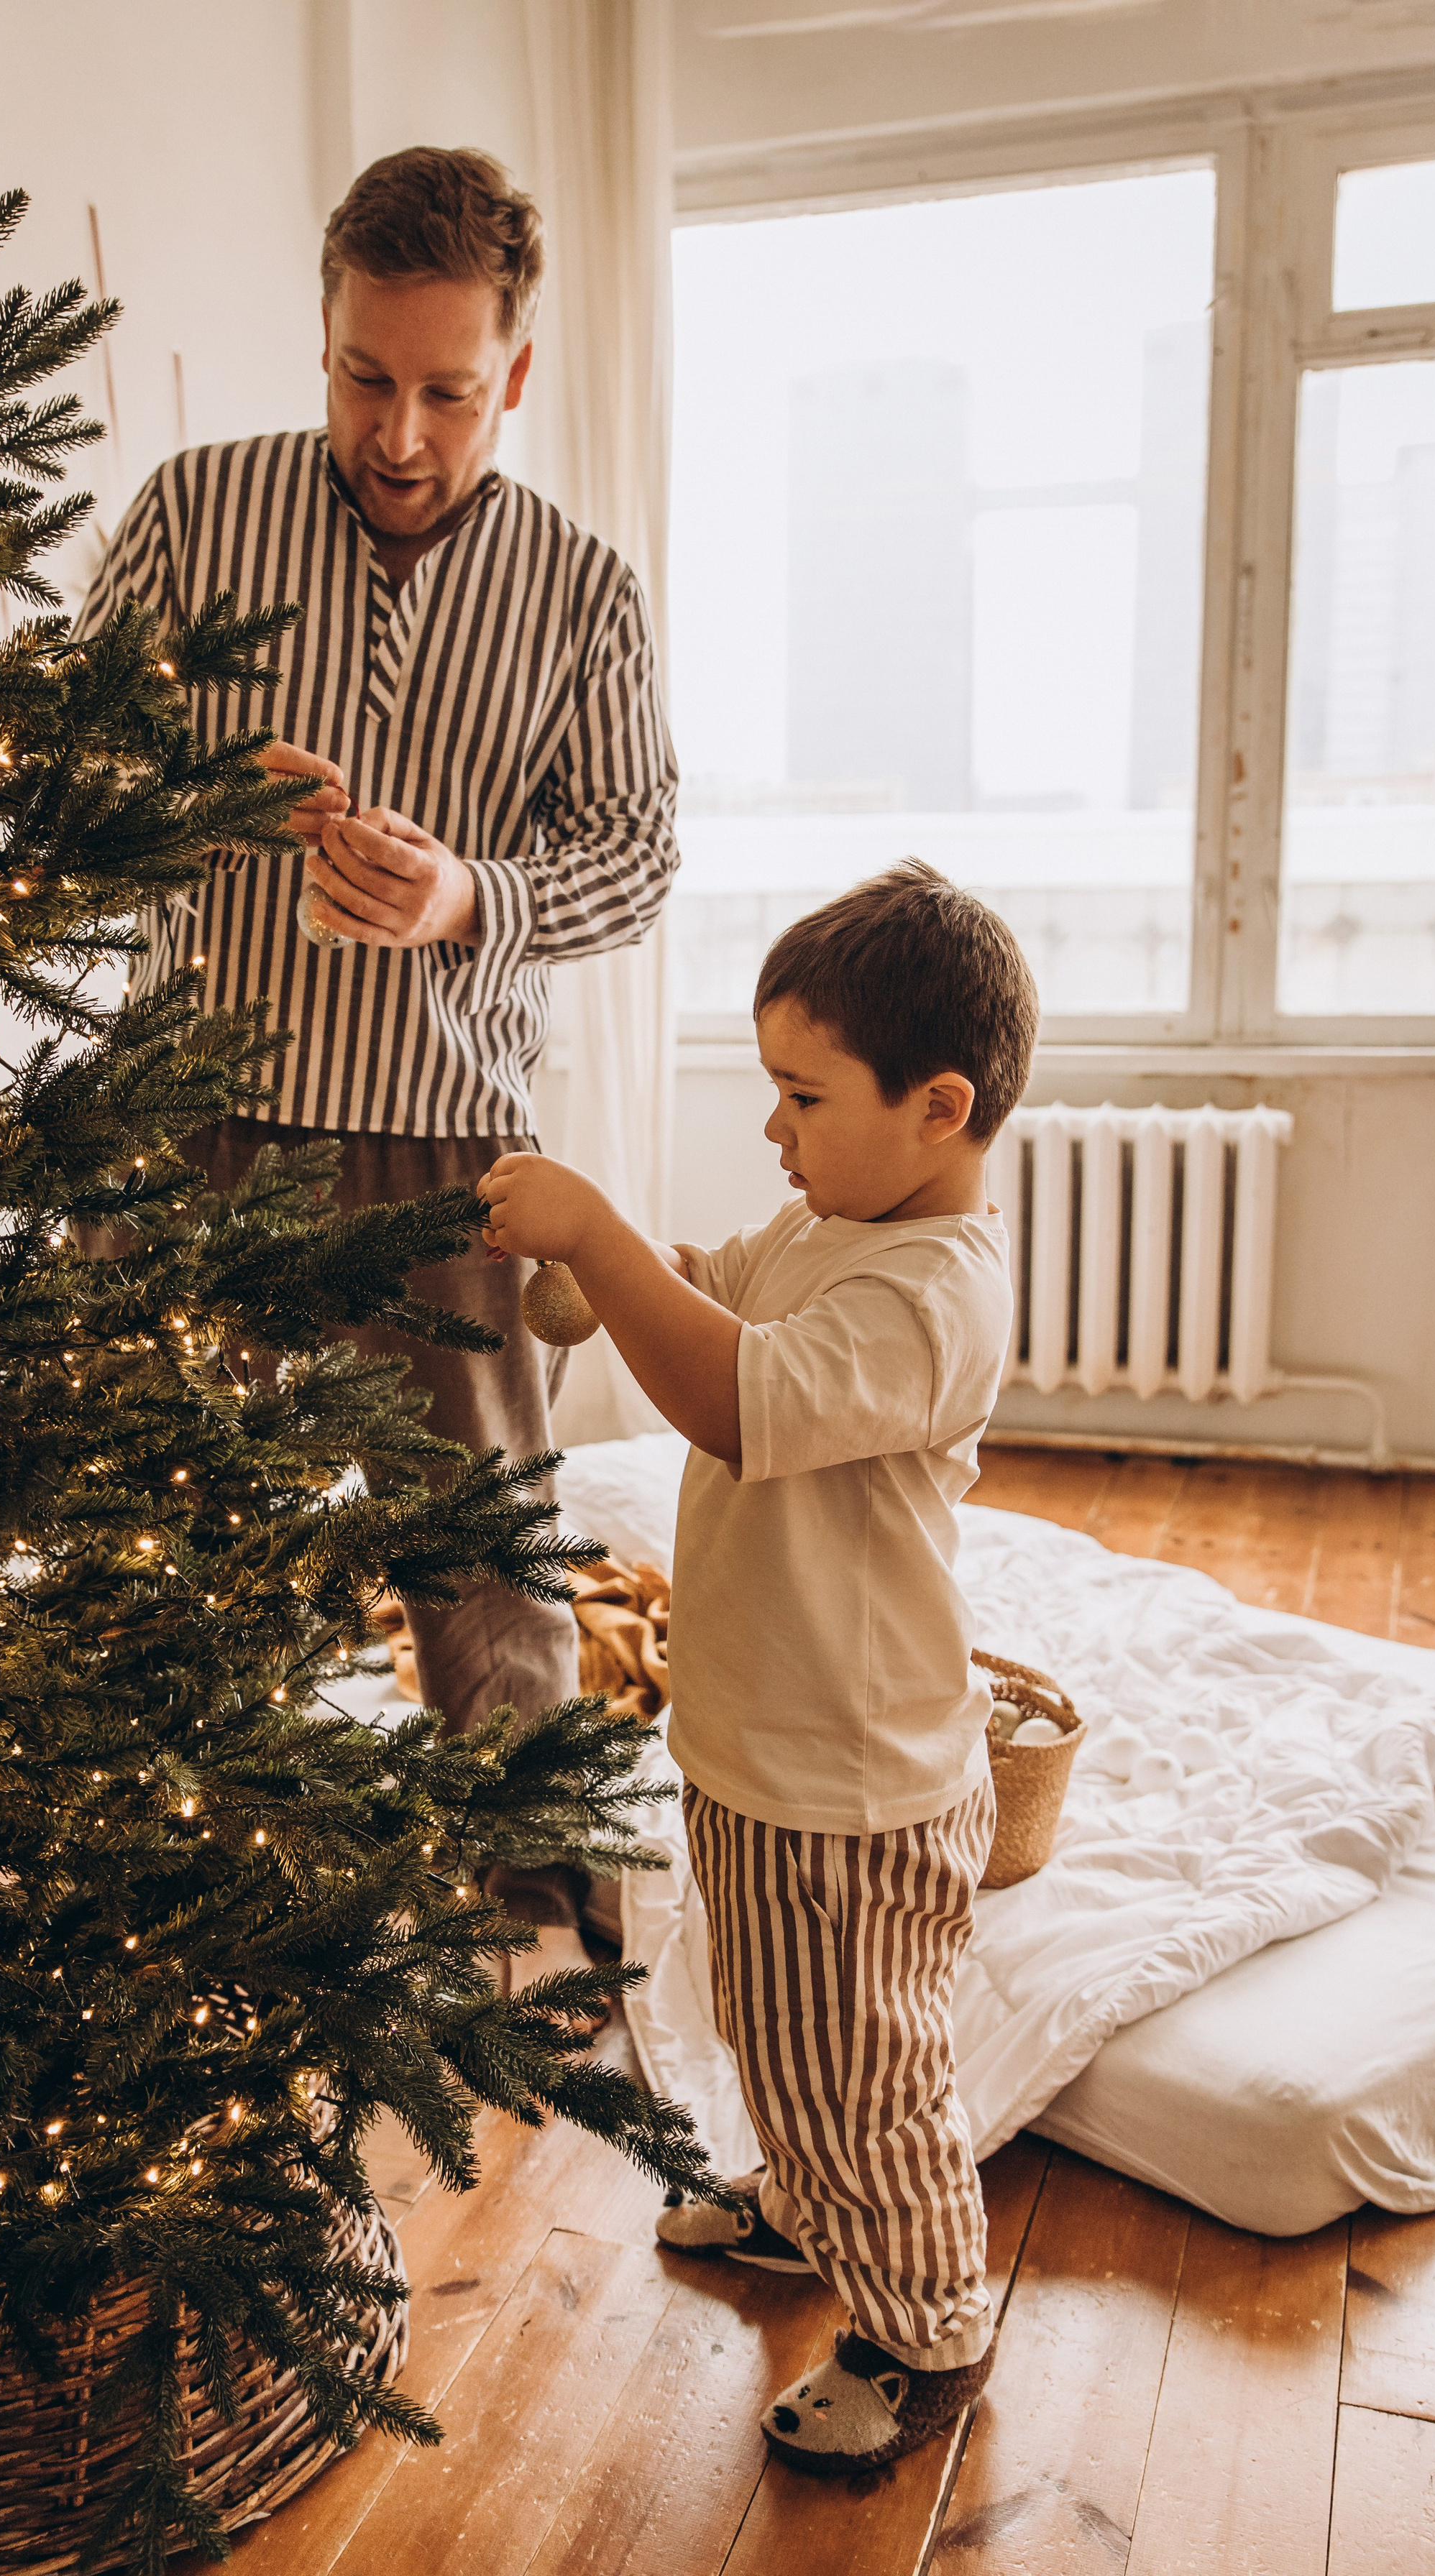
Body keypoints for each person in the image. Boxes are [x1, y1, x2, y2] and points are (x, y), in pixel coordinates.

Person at [79, 147, 678, 1920]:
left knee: (482, 1556)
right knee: (164, 1528)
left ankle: (529, 1912)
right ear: (322, 333)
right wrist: (190, 792)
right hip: (192, 1127)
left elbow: (634, 860)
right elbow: (53, 761)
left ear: (512, 370)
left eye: (443, 389)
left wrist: (467, 898)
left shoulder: (584, 592)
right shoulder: (194, 517)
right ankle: (171, 1877)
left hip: (446, 1152)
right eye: (361, 376)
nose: (398, 433)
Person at [477, 862, 1039, 2474]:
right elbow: (717, 1289)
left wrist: (594, 1226)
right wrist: (616, 1267)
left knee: (868, 2076)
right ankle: (807, 2196)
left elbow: (737, 1395)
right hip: (761, 1746)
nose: (776, 1132)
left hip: (848, 1782)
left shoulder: (934, 1293)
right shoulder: (829, 1222)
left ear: (939, 1106)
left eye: (801, 1095)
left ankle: (924, 2326)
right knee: (788, 2036)